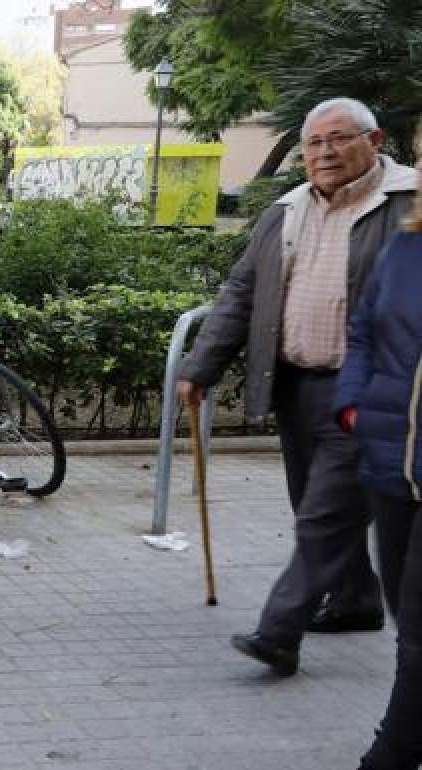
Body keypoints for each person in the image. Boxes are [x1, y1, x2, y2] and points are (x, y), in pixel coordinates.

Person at [177, 97, 418, 676]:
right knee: (319, 504)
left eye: (338, 139)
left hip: (371, 393)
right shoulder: (284, 211)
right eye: (314, 142)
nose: (324, 153)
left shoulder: (408, 206)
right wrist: (200, 366)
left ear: (375, 140)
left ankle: (278, 632)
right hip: (295, 384)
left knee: (325, 516)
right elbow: (241, 294)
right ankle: (356, 601)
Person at [332, 152, 422, 770]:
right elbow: (364, 330)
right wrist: (354, 406)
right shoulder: (406, 247)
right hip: (390, 458)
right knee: (404, 613)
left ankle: (393, 750)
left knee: (419, 622)